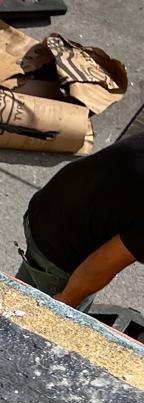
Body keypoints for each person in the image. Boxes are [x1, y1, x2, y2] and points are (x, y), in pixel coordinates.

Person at [16, 131, 144, 310]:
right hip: (63, 252)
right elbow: (102, 264)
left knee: (22, 295)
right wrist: (66, 302)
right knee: (35, 322)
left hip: (52, 204)